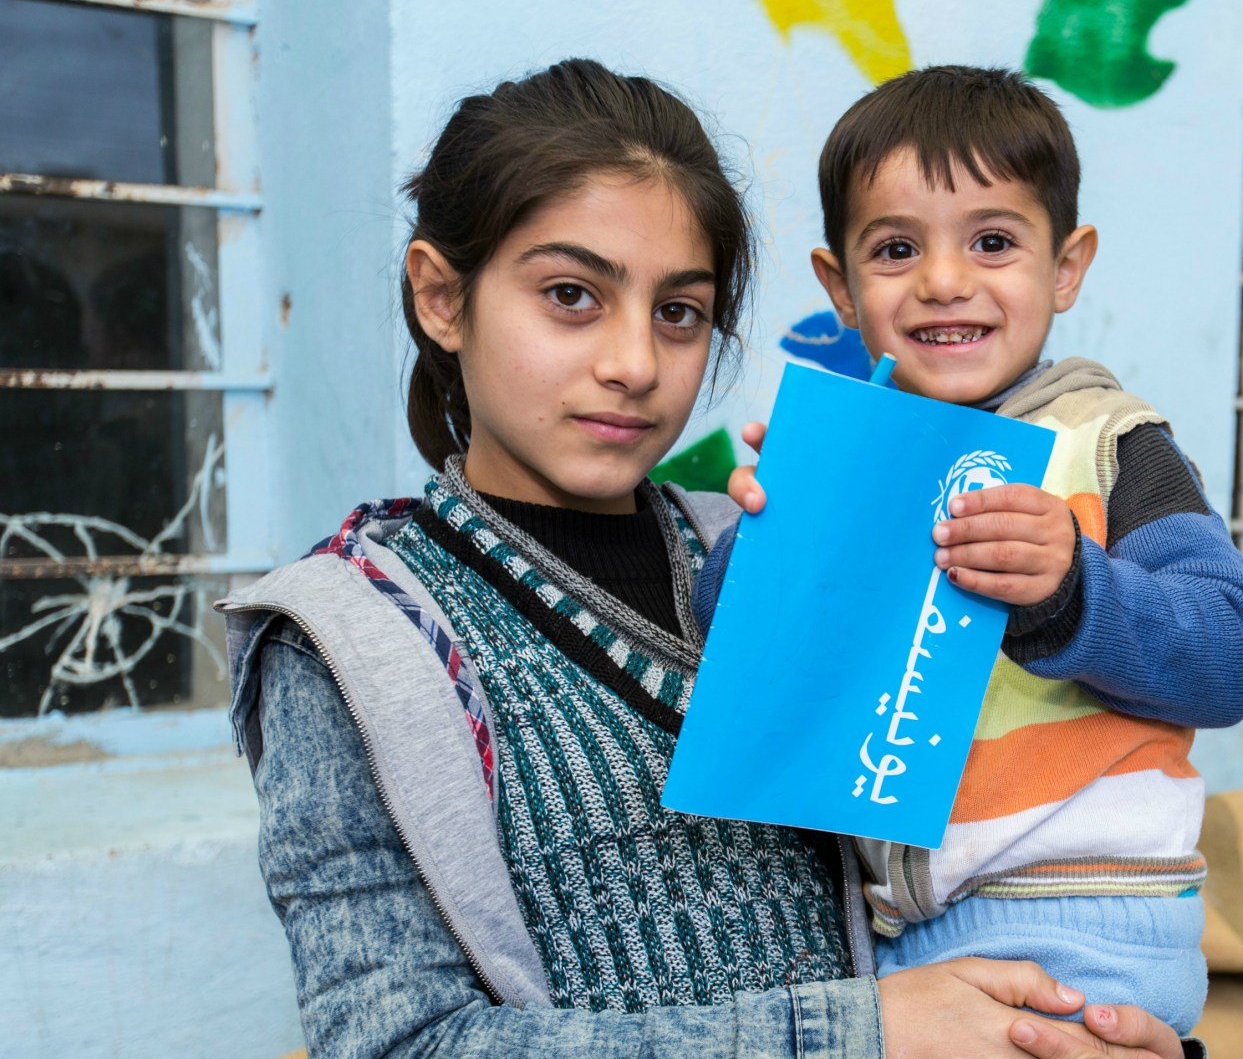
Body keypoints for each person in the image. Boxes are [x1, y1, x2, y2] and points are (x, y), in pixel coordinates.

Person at [218, 58, 1189, 1058]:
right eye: (570, 295)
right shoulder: (359, 642)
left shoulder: (766, 547)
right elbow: (400, 1044)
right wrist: (861, 1033)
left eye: (678, 312)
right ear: (441, 297)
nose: (634, 364)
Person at [715, 66, 1243, 1035]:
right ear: (841, 288)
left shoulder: (1110, 443)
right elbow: (750, 669)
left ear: (1066, 266)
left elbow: (1231, 656)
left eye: (993, 241)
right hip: (904, 937)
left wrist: (1072, 592)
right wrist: (769, 544)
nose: (943, 281)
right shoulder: (851, 460)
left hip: (1087, 921)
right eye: (897, 249)